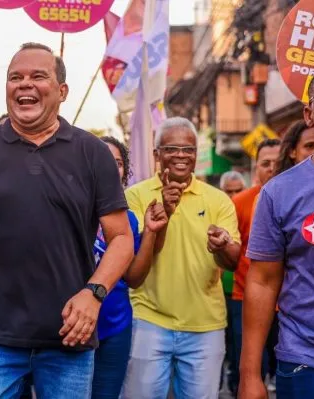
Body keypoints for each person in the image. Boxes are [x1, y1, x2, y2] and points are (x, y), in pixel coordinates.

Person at [0, 42, 135, 399]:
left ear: (62, 91)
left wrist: (94, 293)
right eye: (15, 78)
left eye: (38, 76)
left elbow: (120, 238)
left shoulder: (92, 154)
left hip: (69, 339)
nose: (24, 84)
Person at [121, 117, 241, 399]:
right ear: (156, 154)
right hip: (149, 319)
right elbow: (137, 263)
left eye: (188, 150)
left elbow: (233, 262)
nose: (180, 156)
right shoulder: (135, 197)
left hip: (205, 326)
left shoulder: (218, 200)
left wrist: (222, 245)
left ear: (196, 156)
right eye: (171, 148)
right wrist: (165, 211)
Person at [239, 64, 314, 398]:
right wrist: (250, 376)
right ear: (309, 114)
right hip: (307, 362)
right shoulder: (280, 193)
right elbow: (263, 281)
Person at [92, 136, 168, 399]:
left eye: (118, 163)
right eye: (104, 161)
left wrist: (149, 232)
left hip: (115, 327)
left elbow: (134, 278)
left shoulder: (129, 218)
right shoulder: (67, 211)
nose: (112, 169)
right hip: (71, 326)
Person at [230, 139, 280, 388]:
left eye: (276, 162)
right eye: (265, 163)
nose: (271, 168)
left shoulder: (298, 198)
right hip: (245, 299)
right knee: (251, 371)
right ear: (255, 167)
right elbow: (232, 249)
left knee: (283, 369)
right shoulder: (239, 202)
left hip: (289, 303)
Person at [218, 170, 246, 394]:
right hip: (217, 292)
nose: (234, 196)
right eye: (229, 191)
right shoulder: (217, 212)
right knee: (222, 343)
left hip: (241, 292)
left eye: (238, 191)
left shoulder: (249, 210)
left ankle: (237, 385)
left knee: (238, 344)